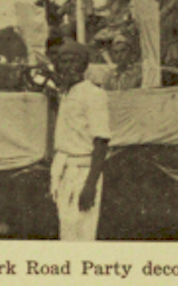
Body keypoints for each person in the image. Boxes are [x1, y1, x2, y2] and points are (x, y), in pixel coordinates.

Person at [51, 40, 111, 240]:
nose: (69, 66)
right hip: (64, 169)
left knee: (82, 233)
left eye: (74, 61)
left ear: (85, 64)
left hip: (83, 171)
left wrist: (90, 185)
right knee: (67, 231)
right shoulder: (67, 93)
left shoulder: (94, 94)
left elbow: (101, 140)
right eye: (63, 62)